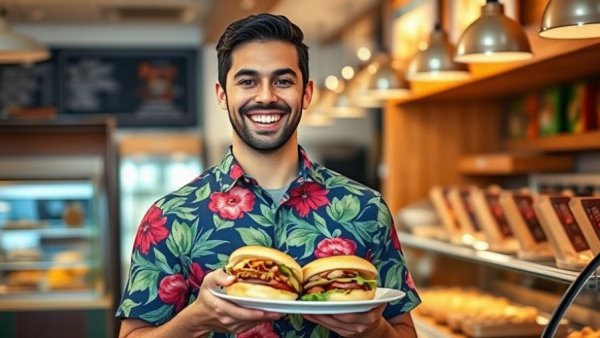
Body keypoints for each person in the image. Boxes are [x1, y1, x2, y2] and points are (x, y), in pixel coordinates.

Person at [116, 13, 421, 338]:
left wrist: (373, 329)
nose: (265, 96)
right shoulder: (169, 217)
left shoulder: (367, 208)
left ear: (306, 94)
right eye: (248, 81)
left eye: (283, 81)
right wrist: (198, 318)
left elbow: (404, 332)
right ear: (222, 95)